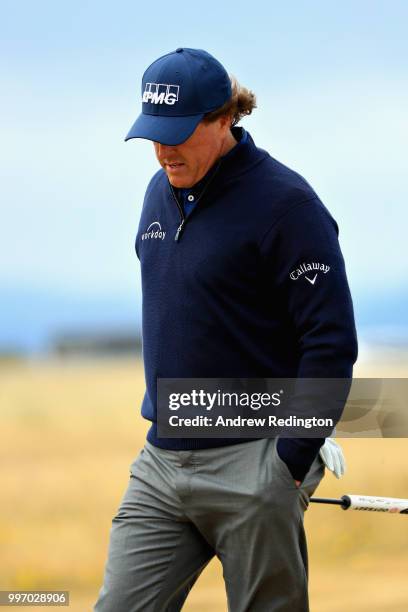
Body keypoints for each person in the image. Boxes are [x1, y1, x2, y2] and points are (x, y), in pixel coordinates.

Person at [94, 48, 358, 612]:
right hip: (162, 462)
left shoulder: (288, 206)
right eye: (154, 134)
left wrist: (290, 457)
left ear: (223, 119)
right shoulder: (157, 194)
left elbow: (330, 343)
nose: (164, 149)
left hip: (255, 458)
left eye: (180, 132)